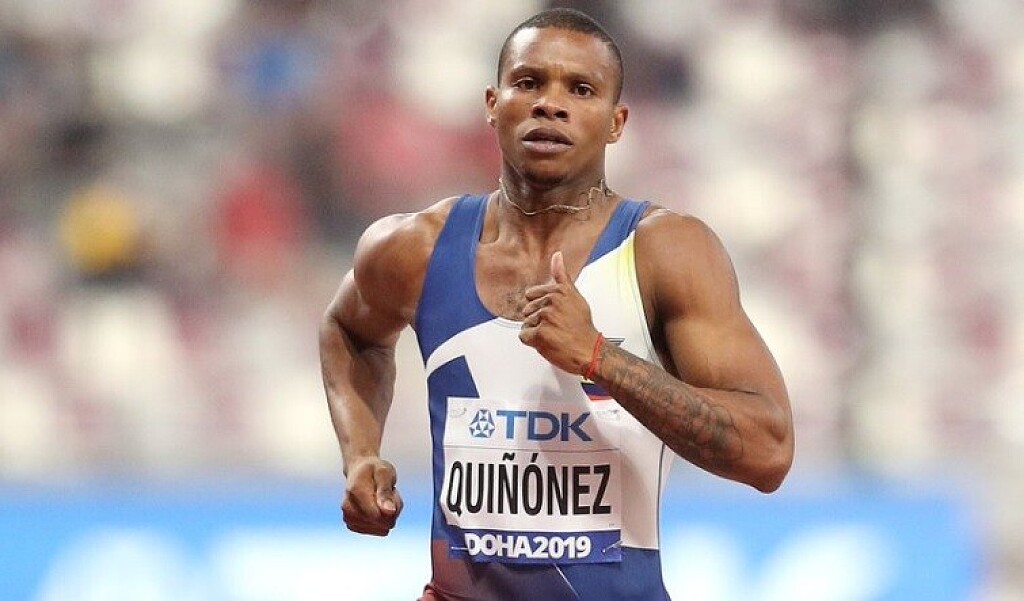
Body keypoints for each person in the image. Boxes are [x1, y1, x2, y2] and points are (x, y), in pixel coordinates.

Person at [319, 8, 794, 600]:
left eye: (581, 89)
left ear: (616, 122)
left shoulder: (664, 252)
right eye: (529, 83)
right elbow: (348, 330)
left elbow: (768, 452)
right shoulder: (414, 248)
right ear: (492, 104)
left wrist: (599, 357)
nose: (550, 104)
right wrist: (361, 454)